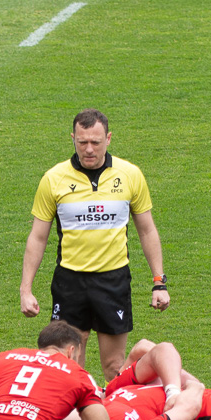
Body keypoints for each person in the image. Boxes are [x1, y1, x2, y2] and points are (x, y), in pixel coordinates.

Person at [20, 110, 165, 380]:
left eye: (96, 142)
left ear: (108, 139)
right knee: (70, 369)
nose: (89, 149)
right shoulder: (53, 179)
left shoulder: (130, 175)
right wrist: (25, 289)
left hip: (113, 280)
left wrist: (159, 281)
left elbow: (147, 230)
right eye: (82, 142)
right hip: (70, 282)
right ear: (72, 138)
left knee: (113, 367)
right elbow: (37, 237)